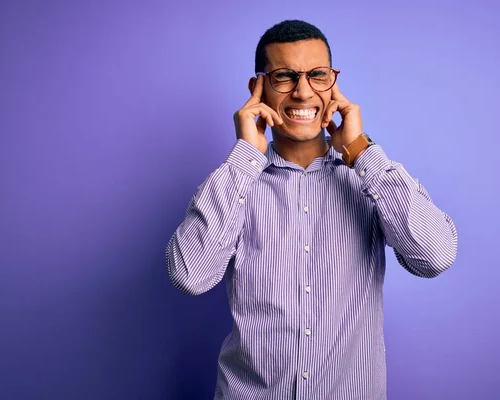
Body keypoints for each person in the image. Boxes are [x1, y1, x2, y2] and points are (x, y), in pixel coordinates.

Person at [166, 19, 458, 400]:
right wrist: (245, 159)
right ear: (258, 89)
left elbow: (435, 257)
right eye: (284, 77)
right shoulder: (234, 184)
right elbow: (191, 276)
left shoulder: (371, 179)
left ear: (332, 83)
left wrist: (361, 151)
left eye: (317, 75)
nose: (303, 92)